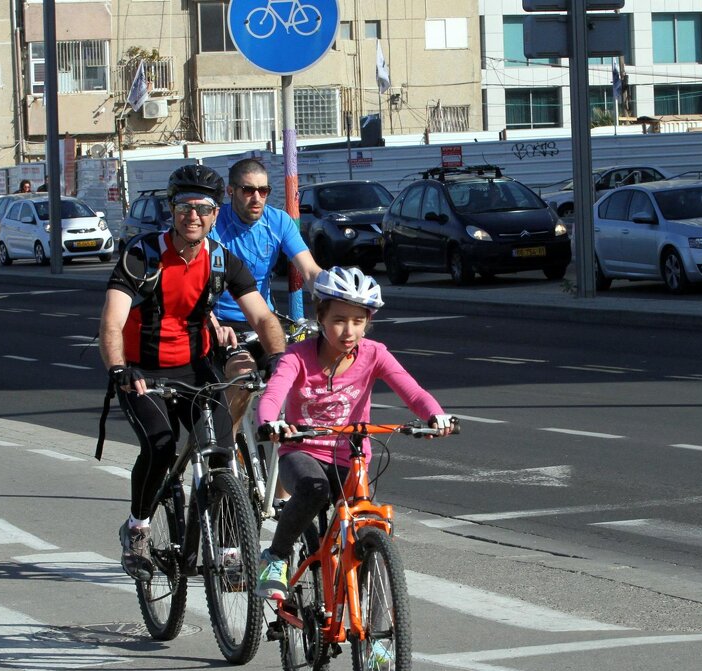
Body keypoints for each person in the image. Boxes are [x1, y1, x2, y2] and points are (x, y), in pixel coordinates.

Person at [99, 164, 286, 581]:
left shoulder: (222, 261)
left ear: (216, 213)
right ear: (172, 209)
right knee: (162, 447)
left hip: (198, 371)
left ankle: (230, 548)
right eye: (185, 206)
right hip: (142, 371)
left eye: (203, 207)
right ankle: (138, 527)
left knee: (221, 454)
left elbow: (263, 317)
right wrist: (118, 369)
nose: (194, 215)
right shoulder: (141, 256)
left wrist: (279, 359)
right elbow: (111, 322)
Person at [254, 267, 454, 602]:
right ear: (320, 317)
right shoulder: (298, 356)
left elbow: (413, 392)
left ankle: (370, 628)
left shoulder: (375, 353)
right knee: (314, 491)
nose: (349, 331)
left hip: (351, 455)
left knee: (366, 528)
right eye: (339, 320)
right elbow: (274, 394)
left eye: (359, 321)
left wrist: (435, 415)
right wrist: (270, 422)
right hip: (302, 451)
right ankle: (275, 557)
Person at [210, 157, 322, 424]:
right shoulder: (213, 224)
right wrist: (210, 322)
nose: (257, 198)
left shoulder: (278, 221)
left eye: (264, 191)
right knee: (243, 375)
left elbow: (310, 271)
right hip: (223, 322)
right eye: (248, 190)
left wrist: (335, 302)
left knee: (302, 373)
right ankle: (226, 453)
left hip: (264, 319)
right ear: (231, 191)